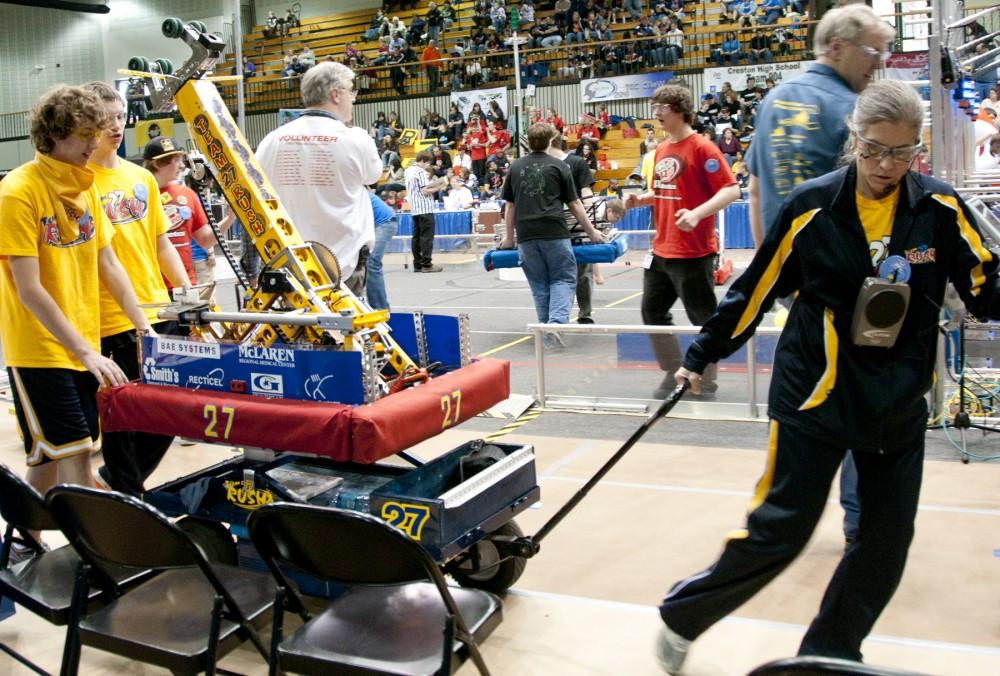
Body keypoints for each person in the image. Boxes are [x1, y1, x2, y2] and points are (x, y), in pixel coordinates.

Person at [657, 78, 1000, 675]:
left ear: (918, 149)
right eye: (872, 149)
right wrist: (701, 355)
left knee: (885, 542)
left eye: (901, 152)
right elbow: (753, 290)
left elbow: (986, 288)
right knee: (780, 532)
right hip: (815, 396)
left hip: (896, 403)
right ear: (853, 140)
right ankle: (683, 616)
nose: (885, 166)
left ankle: (830, 652)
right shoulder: (814, 207)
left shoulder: (940, 209)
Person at [746, 3, 895, 542]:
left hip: (796, 278)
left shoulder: (772, 101)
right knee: (869, 392)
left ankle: (785, 514)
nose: (879, 63)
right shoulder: (858, 109)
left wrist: (771, 268)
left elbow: (758, 188)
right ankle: (862, 521)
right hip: (854, 280)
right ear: (836, 46)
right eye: (872, 50)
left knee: (806, 391)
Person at [0, 84, 152, 503]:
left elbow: (109, 264)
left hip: (83, 343)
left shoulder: (85, 188)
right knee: (79, 454)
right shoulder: (18, 192)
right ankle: (99, 561)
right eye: (84, 135)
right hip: (39, 349)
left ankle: (22, 541)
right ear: (53, 135)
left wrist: (144, 327)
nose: (94, 143)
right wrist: (85, 352)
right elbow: (28, 289)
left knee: (51, 460)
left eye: (96, 132)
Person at [83, 82, 192, 495]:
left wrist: (185, 293)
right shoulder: (79, 180)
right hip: (107, 316)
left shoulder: (140, 178)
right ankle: (130, 498)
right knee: (121, 418)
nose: (116, 125)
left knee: (171, 407)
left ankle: (118, 484)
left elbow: (161, 241)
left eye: (120, 115)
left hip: (155, 309)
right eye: (106, 117)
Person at [623, 84, 740, 400]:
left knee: (703, 320)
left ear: (679, 109)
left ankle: (704, 376)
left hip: (692, 252)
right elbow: (663, 192)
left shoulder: (703, 148)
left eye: (661, 106)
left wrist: (697, 214)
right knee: (652, 314)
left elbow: (731, 190)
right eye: (654, 106)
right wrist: (640, 200)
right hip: (661, 250)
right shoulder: (660, 150)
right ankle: (674, 370)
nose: (655, 113)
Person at [256, 62, 382, 296]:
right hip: (343, 263)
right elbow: (373, 175)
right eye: (351, 91)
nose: (353, 98)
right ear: (336, 94)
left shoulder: (271, 140)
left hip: (289, 265)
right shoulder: (355, 138)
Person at [498, 123, 604, 348]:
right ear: (550, 141)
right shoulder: (559, 166)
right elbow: (575, 204)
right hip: (554, 232)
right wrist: (591, 231)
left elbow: (510, 207)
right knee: (564, 278)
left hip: (526, 234)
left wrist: (509, 238)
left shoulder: (515, 167)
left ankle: (546, 331)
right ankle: (555, 324)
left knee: (539, 284)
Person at [143, 138, 225, 292]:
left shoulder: (187, 194)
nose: (182, 166)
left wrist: (230, 218)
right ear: (156, 164)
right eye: (175, 160)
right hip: (151, 288)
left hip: (186, 285)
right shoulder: (138, 196)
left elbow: (205, 240)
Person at [547, 132, 598, 324]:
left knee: (582, 272)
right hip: (553, 224)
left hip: (576, 223)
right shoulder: (543, 164)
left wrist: (590, 218)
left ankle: (585, 312)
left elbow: (586, 190)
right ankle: (558, 315)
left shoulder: (576, 163)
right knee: (557, 273)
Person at [405, 151, 450, 273]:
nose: (428, 166)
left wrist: (439, 181)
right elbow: (425, 191)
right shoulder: (420, 172)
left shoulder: (408, 170)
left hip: (415, 208)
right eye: (428, 163)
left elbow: (422, 186)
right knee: (426, 238)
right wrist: (440, 187)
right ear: (423, 161)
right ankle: (427, 264)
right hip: (425, 208)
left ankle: (418, 264)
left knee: (417, 238)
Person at [366, 191, 397, 310]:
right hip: (376, 223)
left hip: (385, 223)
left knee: (372, 262)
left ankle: (381, 309)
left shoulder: (353, 192)